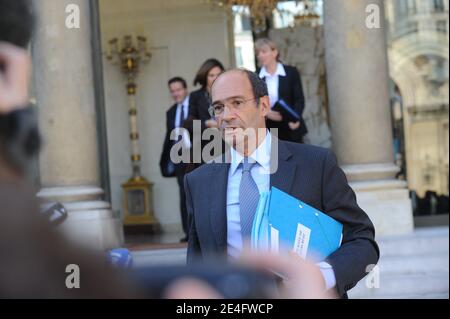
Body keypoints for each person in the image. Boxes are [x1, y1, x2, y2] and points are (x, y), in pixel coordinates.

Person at [184, 68, 379, 298]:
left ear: (264, 105)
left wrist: (320, 276)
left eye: (237, 102)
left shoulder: (315, 164)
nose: (226, 115)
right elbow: (196, 269)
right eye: (218, 107)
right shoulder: (198, 182)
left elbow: (361, 239)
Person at [255, 38, 307, 143]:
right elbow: (254, 101)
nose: (260, 55)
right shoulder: (255, 76)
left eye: (264, 51)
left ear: (274, 52)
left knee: (296, 157)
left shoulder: (291, 72)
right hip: (270, 126)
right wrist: (266, 113)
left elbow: (299, 99)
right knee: (275, 157)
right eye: (258, 53)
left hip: (291, 124)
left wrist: (296, 118)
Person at [159, 76, 191, 242]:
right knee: (183, 195)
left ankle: (200, 231)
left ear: (185, 89)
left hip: (198, 156)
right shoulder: (171, 112)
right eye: (172, 91)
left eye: (178, 90)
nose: (176, 93)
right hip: (179, 158)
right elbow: (169, 136)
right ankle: (188, 233)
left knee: (198, 194)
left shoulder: (195, 105)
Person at [184, 58, 225, 172]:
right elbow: (189, 124)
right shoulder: (196, 96)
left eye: (219, 74)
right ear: (205, 77)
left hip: (227, 145)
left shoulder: (229, 94)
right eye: (211, 75)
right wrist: (206, 124)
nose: (216, 78)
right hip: (205, 147)